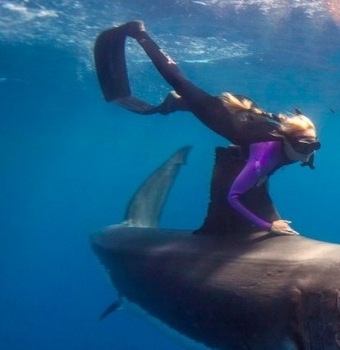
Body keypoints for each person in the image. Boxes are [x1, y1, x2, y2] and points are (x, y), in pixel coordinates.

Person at [94, 20, 321, 235]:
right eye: (303, 147)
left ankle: (177, 103)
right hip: (219, 115)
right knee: (180, 82)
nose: (308, 152)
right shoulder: (262, 158)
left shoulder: (296, 144)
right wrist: (268, 226)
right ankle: (139, 33)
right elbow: (233, 197)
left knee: (188, 102)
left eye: (313, 147)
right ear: (289, 142)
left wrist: (305, 153)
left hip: (244, 115)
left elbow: (301, 146)